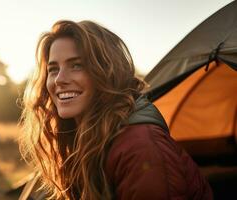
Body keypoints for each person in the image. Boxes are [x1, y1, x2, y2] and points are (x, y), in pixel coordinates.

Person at [18, 20, 213, 200]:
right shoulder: (82, 136)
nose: (59, 79)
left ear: (107, 72)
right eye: (53, 69)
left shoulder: (140, 147)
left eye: (76, 65)